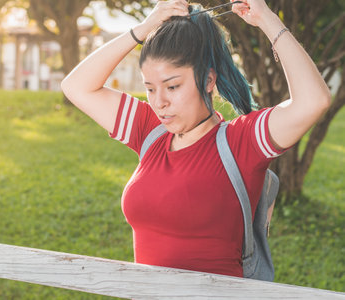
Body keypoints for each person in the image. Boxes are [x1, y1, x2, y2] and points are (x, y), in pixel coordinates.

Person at [61, 0, 331, 278]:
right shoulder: (150, 132)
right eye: (150, 88)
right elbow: (76, 86)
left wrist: (267, 19)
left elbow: (314, 101)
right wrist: (142, 29)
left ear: (208, 80)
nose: (159, 102)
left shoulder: (242, 142)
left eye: (173, 86)